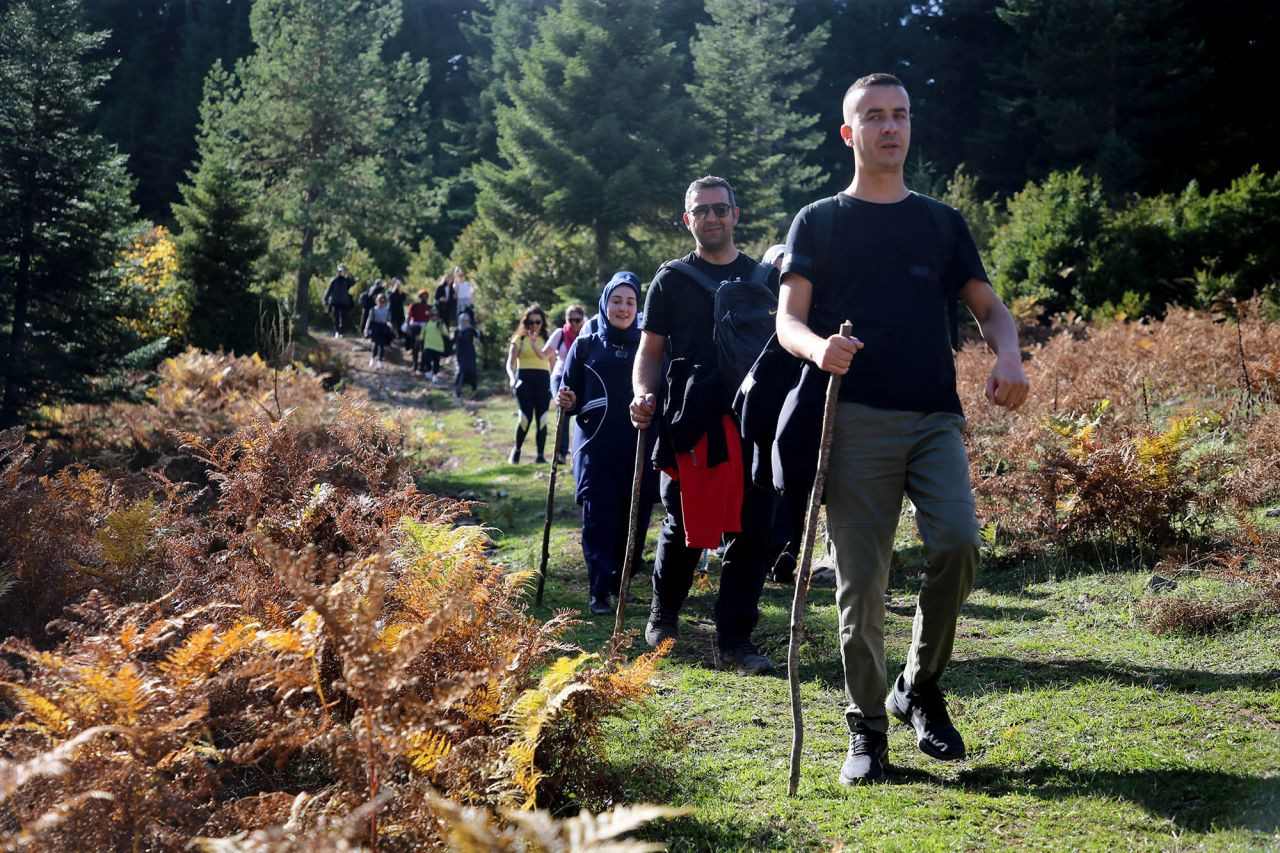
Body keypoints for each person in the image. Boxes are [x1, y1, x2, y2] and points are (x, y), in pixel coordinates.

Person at [775, 73, 1029, 786]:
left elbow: (990, 308)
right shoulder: (818, 221)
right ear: (849, 133)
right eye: (874, 117)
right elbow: (787, 318)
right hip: (852, 418)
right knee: (861, 583)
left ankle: (917, 683)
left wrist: (1007, 353)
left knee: (959, 542)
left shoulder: (941, 223)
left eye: (901, 116)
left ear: (910, 128)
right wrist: (818, 346)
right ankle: (867, 731)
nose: (890, 127)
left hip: (934, 417)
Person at [629, 175, 778, 676]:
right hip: (693, 422)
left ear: (736, 215)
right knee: (685, 524)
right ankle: (663, 615)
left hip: (753, 421)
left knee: (754, 531)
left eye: (720, 209)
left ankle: (736, 638)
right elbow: (649, 351)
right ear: (687, 218)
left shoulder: (764, 280)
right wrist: (642, 393)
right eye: (702, 211)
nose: (712, 218)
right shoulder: (670, 279)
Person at [557, 275, 656, 615]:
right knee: (599, 518)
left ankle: (619, 581)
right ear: (605, 303)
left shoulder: (649, 345)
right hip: (595, 449)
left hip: (638, 448)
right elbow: (569, 395)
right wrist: (566, 400)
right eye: (617, 300)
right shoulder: (585, 345)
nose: (623, 308)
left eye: (630, 302)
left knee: (634, 519)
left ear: (637, 307)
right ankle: (598, 589)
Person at [505, 304, 554, 463]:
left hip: (543, 382)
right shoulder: (519, 339)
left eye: (538, 322)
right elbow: (510, 363)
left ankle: (540, 456)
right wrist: (512, 378)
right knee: (525, 418)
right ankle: (516, 450)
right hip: (523, 380)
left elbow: (553, 365)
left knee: (543, 418)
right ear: (526, 323)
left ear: (542, 323)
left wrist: (556, 384)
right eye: (531, 322)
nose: (534, 325)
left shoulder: (548, 339)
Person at [546, 304, 587, 464]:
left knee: (583, 412)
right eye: (571, 320)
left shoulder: (587, 332)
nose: (574, 323)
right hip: (559, 376)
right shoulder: (560, 333)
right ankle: (561, 453)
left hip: (580, 377)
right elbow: (545, 354)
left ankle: (580, 450)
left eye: (577, 319)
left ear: (582, 319)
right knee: (562, 410)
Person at [364, 292, 394, 369]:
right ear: (377, 301)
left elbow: (388, 320)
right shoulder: (373, 309)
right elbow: (369, 319)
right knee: (375, 344)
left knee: (382, 345)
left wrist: (390, 325)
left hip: (383, 328)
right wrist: (366, 329)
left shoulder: (387, 310)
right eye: (380, 301)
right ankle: (373, 358)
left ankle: (380, 360)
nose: (382, 303)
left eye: (383, 301)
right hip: (375, 327)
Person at [323, 263, 355, 337]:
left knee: (343, 318)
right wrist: (325, 300)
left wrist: (347, 275)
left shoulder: (347, 280)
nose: (341, 272)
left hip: (344, 302)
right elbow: (328, 291)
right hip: (335, 302)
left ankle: (341, 332)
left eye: (343, 271)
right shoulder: (334, 280)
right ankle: (337, 331)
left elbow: (353, 282)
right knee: (336, 318)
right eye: (340, 271)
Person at [453, 311, 480, 397]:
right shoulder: (457, 330)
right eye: (464, 320)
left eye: (467, 320)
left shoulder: (471, 329)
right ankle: (457, 391)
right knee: (460, 372)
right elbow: (453, 341)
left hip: (470, 354)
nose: (466, 322)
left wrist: (480, 332)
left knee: (472, 372)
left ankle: (474, 391)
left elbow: (480, 338)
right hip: (460, 355)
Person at [406, 289, 431, 372]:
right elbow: (409, 316)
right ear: (419, 297)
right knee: (415, 346)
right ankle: (415, 363)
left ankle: (422, 365)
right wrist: (408, 327)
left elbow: (431, 319)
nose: (424, 298)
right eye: (422, 296)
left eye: (425, 296)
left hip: (425, 329)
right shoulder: (414, 305)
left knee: (424, 347)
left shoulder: (429, 307)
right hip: (415, 328)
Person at [420, 309, 447, 382]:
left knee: (436, 362)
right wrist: (418, 338)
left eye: (436, 315)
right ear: (430, 316)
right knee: (427, 359)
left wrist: (441, 329)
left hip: (438, 347)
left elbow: (446, 333)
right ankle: (429, 371)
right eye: (432, 315)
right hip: (428, 346)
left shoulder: (441, 323)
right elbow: (422, 335)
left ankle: (435, 376)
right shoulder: (426, 324)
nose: (434, 316)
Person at [387, 278, 407, 347]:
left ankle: (399, 339)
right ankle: (389, 341)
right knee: (391, 327)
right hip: (391, 312)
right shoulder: (389, 291)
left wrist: (400, 290)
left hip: (399, 313)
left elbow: (403, 298)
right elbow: (389, 298)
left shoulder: (401, 293)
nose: (398, 285)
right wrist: (394, 289)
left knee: (400, 327)